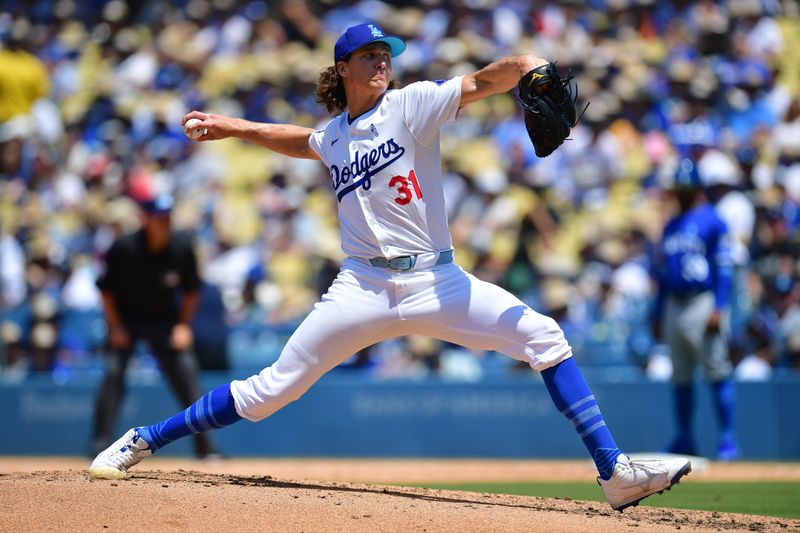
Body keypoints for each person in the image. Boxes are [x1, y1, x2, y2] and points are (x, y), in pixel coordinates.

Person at [90, 23, 690, 511]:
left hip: (437, 278)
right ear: (343, 69)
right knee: (269, 391)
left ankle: (614, 471)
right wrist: (234, 126)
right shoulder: (334, 137)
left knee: (544, 335)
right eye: (369, 54)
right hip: (362, 285)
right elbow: (303, 142)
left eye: (386, 53)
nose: (382, 61)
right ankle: (143, 439)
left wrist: (528, 64)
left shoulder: (413, 104)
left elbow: (486, 80)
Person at [89, 193, 219, 460]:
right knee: (113, 373)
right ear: (145, 219)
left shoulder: (181, 246)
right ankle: (98, 445)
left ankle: (206, 448)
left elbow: (192, 290)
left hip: (164, 320)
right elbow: (106, 291)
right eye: (157, 217)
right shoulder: (124, 248)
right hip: (127, 320)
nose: (163, 222)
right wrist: (115, 327)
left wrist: (183, 325)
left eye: (167, 217)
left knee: (186, 374)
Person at [652, 158, 739, 461]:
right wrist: (657, 312)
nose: (681, 192)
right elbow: (663, 276)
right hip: (675, 304)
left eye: (686, 187)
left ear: (697, 188)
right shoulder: (671, 226)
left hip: (703, 300)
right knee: (681, 377)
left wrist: (719, 306)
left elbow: (725, 267)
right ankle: (685, 437)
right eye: (678, 188)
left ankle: (727, 438)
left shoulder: (712, 219)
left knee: (717, 370)